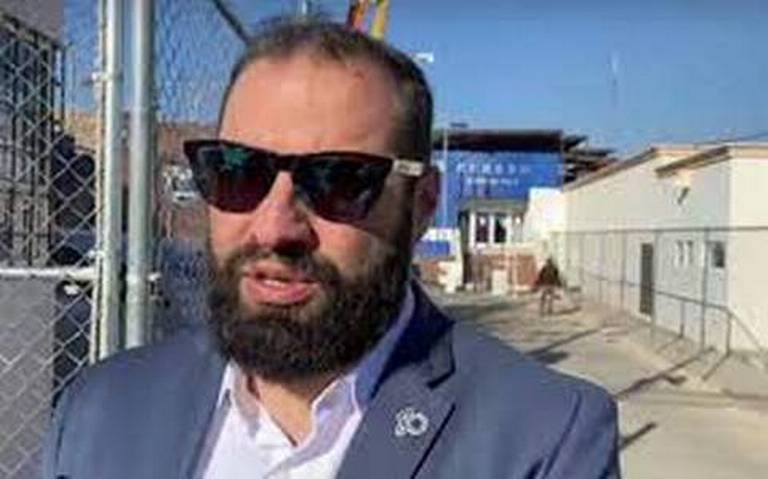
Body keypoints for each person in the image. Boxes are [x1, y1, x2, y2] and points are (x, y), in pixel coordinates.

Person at [43, 18, 620, 479]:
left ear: (421, 204)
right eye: (239, 171)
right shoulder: (101, 407)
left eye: (340, 180)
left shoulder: (546, 440)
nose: (275, 228)